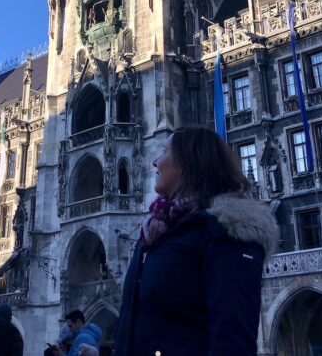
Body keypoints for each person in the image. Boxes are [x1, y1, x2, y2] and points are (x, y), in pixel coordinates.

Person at [113, 126, 279, 356]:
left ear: (188, 162)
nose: (154, 161)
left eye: (163, 152)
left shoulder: (226, 232)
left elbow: (232, 341)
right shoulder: (155, 234)